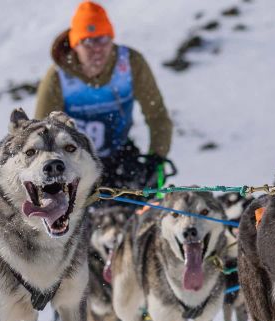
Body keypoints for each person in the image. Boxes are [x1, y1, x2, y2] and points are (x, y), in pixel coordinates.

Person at [35, 1, 173, 189]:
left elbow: (157, 115)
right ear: (75, 45)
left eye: (103, 39)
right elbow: (41, 132)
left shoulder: (131, 63)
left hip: (121, 156)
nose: (97, 49)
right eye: (88, 41)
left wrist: (156, 159)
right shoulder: (58, 77)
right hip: (75, 162)